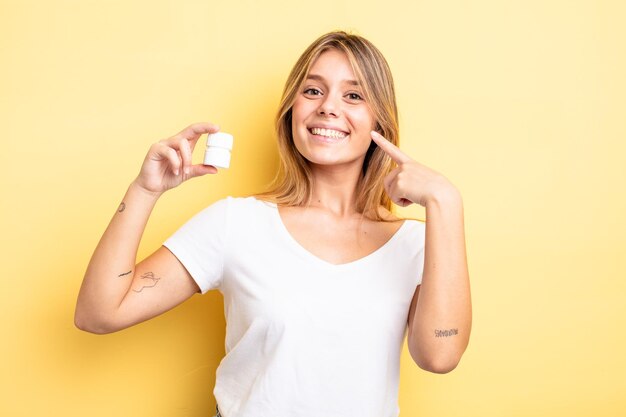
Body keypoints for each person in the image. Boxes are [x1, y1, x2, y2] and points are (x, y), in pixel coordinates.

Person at [75, 31, 472, 417]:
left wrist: (446, 203)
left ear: (379, 121)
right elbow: (99, 313)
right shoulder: (235, 224)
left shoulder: (417, 244)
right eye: (313, 90)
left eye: (353, 95)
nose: (328, 107)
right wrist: (145, 190)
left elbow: (439, 356)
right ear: (291, 112)